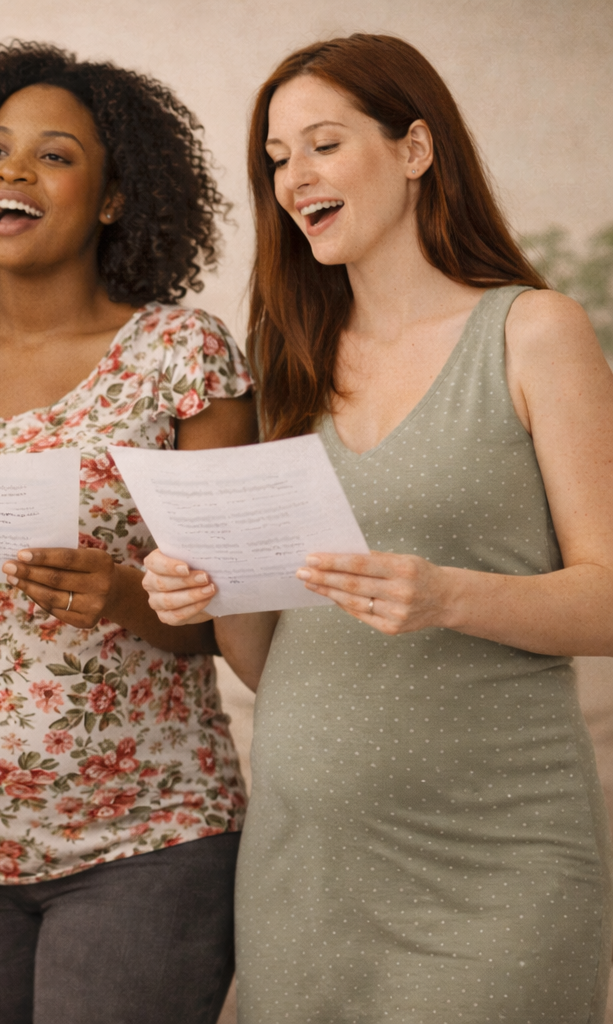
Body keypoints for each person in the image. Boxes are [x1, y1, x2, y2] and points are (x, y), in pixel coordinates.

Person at [143, 33, 613, 1023]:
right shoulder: (289, 356)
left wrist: (449, 593)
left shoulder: (535, 332)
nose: (293, 178)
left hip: (498, 861)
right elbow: (278, 656)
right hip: (304, 870)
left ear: (414, 148)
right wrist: (212, 587)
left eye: (320, 144)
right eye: (276, 159)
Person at [0, 41, 255, 1024]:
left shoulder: (183, 352)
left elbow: (238, 617)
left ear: (116, 196)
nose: (11, 171)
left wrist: (125, 596)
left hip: (146, 845)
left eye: (53, 155)